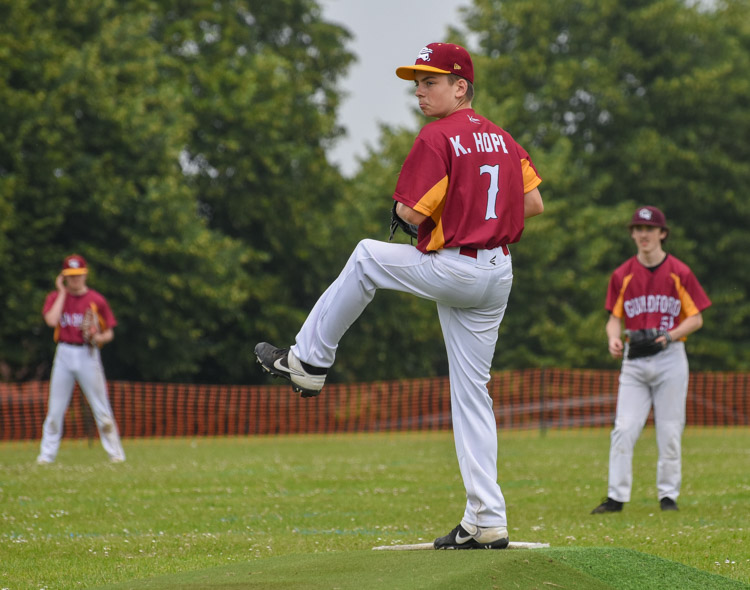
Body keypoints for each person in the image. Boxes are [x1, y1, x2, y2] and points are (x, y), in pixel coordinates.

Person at [255, 42, 544, 549]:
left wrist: (433, 212)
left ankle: (308, 360)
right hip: (497, 271)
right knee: (472, 394)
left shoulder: (437, 136)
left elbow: (409, 214)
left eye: (430, 82)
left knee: (367, 256)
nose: (419, 91)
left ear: (461, 87)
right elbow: (534, 203)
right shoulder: (502, 137)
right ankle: (486, 519)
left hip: (457, 266)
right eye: (417, 83)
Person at [591, 206, 711, 513]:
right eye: (638, 229)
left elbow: (696, 318)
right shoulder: (622, 275)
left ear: (662, 233)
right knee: (624, 428)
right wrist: (613, 338)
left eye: (649, 229)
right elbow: (614, 318)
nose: (643, 234)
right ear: (632, 234)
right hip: (634, 358)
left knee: (670, 430)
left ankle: (668, 496)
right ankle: (616, 497)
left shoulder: (679, 272)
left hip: (670, 357)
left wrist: (671, 335)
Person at [37, 254, 126, 464]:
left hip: (87, 353)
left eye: (78, 275)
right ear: (63, 276)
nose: (75, 279)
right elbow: (51, 320)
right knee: (55, 409)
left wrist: (98, 337)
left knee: (101, 408)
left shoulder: (96, 300)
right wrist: (62, 292)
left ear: (85, 274)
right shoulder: (56, 297)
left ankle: (116, 455)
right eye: (70, 275)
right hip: (64, 352)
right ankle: (46, 456)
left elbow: (109, 332)